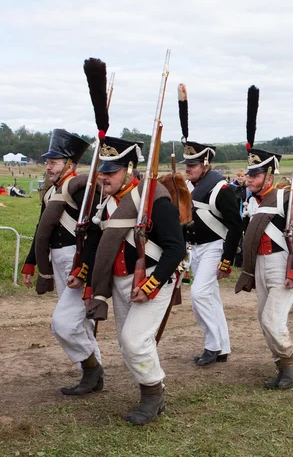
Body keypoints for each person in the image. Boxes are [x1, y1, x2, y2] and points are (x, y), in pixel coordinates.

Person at [85, 136, 186, 425]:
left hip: (152, 280)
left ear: (129, 170)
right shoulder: (106, 204)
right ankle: (153, 392)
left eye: (111, 171)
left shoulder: (154, 198)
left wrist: (151, 284)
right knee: (128, 342)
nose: (103, 177)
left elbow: (175, 248)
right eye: (102, 170)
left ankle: (153, 396)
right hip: (120, 282)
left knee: (134, 340)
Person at [21, 129, 102, 395]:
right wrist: (31, 262)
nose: (48, 166)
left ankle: (92, 370)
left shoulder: (81, 188)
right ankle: (92, 375)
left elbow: (93, 230)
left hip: (76, 259)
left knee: (64, 323)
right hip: (58, 258)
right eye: (48, 161)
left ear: (70, 164)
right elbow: (42, 229)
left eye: (54, 162)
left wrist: (84, 268)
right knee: (80, 323)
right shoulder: (51, 191)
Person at [235, 110, 293, 389]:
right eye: (250, 174)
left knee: (272, 320)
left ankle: (289, 365)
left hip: (282, 263)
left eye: (255, 175)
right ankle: (281, 365)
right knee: (263, 320)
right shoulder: (251, 201)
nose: (249, 179)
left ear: (268, 175)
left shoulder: (285, 198)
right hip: (261, 266)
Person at [183, 140, 243, 366]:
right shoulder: (189, 187)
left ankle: (212, 345)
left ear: (206, 165)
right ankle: (223, 347)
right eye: (187, 164)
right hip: (196, 248)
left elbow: (235, 226)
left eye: (194, 164)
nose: (188, 168)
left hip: (215, 247)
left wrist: (227, 260)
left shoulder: (221, 189)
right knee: (210, 298)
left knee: (198, 295)